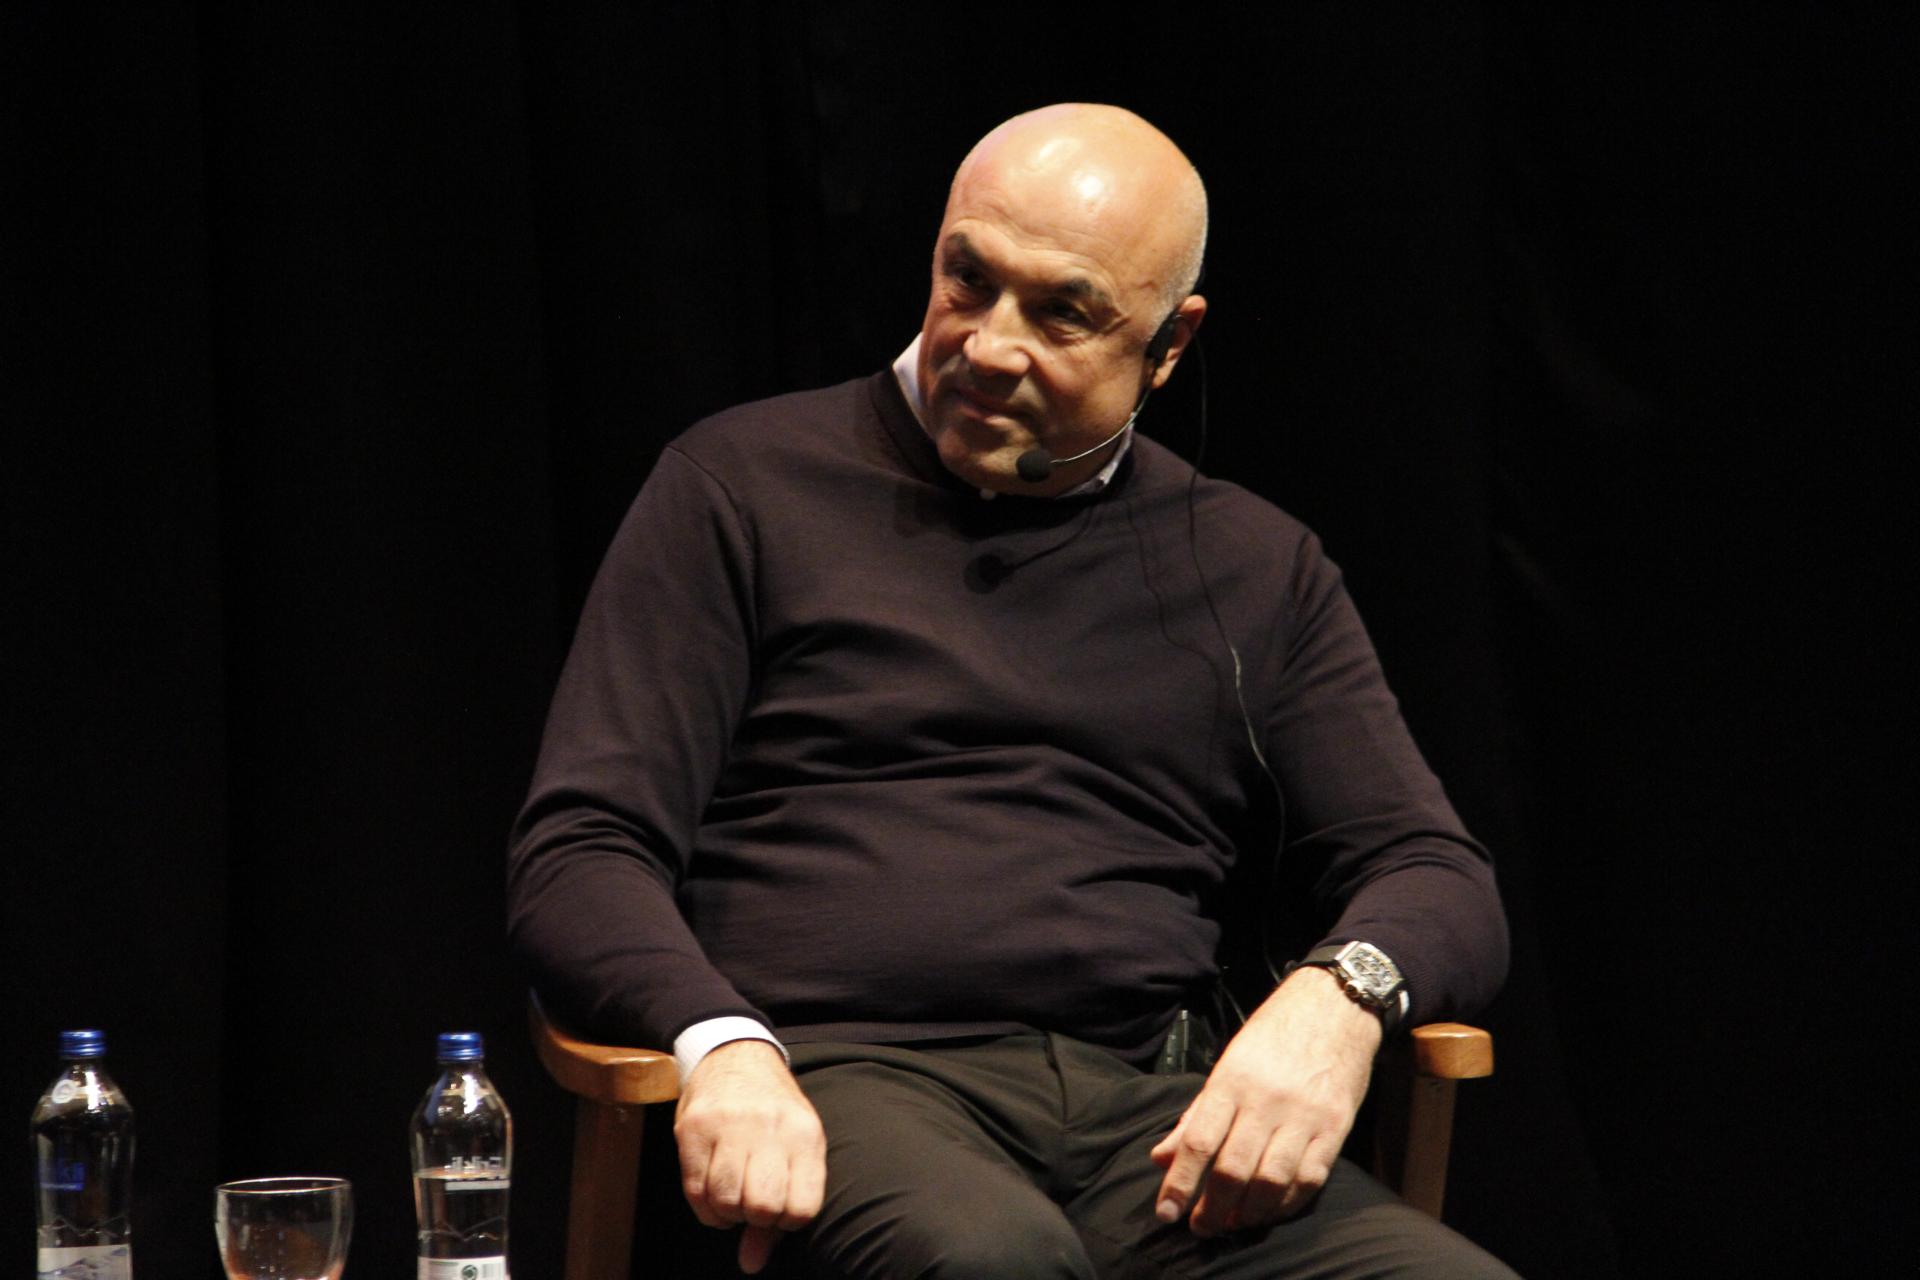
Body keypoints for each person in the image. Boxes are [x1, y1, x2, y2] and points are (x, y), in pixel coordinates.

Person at [508, 103, 1515, 1278]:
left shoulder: (1254, 563)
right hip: (839, 1081)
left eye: (1063, 313)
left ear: (1170, 344)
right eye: (968, 280)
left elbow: (1438, 872)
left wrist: (1338, 999)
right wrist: (720, 1041)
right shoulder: (743, 487)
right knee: (995, 1258)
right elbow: (582, 847)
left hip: (1148, 1119)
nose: (989, 346)